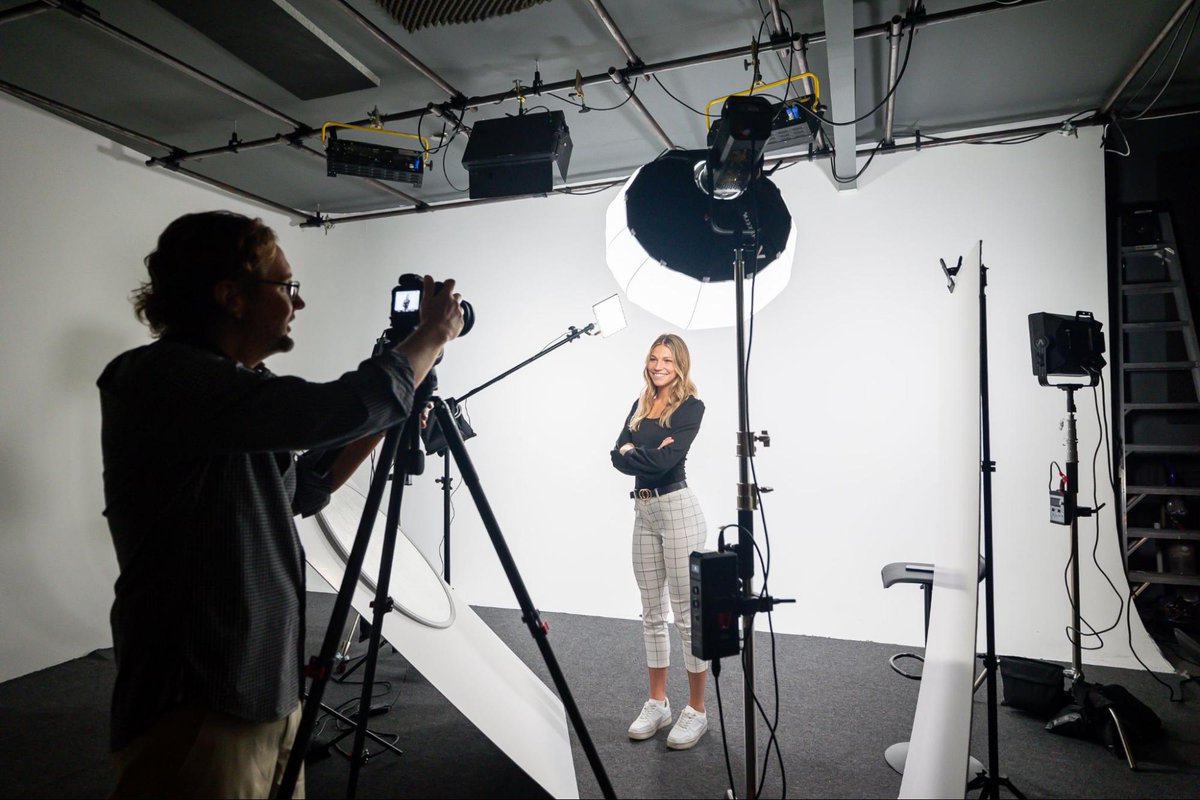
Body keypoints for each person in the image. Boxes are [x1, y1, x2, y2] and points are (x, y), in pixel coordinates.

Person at [97, 210, 463, 798]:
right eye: (286, 286)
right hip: (201, 699)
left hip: (264, 689)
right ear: (231, 296)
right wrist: (431, 336)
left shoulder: (233, 394)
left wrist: (400, 394)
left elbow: (308, 488)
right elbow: (338, 407)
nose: (298, 302)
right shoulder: (165, 379)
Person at [610, 333, 709, 750]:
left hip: (678, 510)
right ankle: (658, 703)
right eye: (653, 358)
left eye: (666, 359)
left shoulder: (691, 406)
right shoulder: (640, 404)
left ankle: (697, 710)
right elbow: (615, 455)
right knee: (651, 612)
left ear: (679, 364)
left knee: (686, 616)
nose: (658, 365)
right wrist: (635, 451)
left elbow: (668, 460)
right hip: (644, 511)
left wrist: (636, 451)